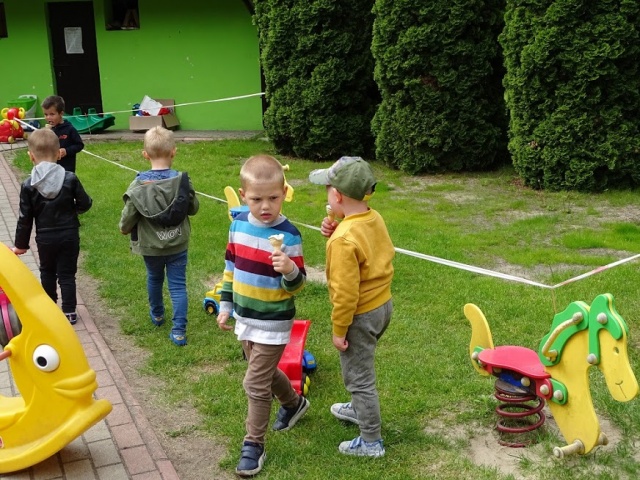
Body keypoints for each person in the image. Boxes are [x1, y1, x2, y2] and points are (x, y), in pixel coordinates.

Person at [217, 154, 309, 477]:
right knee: (266, 375)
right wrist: (225, 305)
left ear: (284, 193)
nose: (265, 206)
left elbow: (297, 285)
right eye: (257, 199)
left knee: (255, 383)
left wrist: (290, 270)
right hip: (245, 318)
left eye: (273, 198)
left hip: (274, 321)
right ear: (244, 196)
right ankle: (294, 403)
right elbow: (231, 269)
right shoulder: (238, 226)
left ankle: (253, 444)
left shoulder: (290, 236)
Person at [309, 156, 395, 457]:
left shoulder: (343, 240)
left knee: (359, 377)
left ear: (337, 195)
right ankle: (359, 408)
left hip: (360, 314)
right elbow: (368, 249)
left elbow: (345, 294)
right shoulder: (371, 217)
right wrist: (337, 229)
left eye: (327, 189)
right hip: (383, 306)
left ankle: (371, 440)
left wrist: (339, 330)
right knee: (361, 368)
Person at [119, 126, 199, 346]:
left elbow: (129, 215)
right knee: (178, 285)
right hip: (178, 243)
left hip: (150, 246)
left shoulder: (138, 185)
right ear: (174, 152)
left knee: (154, 278)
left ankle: (157, 314)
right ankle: (179, 331)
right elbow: (193, 208)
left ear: (145, 154)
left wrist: (123, 228)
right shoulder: (182, 181)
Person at [12, 128, 93, 325]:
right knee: (67, 274)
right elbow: (85, 203)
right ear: (59, 154)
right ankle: (69, 311)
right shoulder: (70, 178)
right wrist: (73, 210)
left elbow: (25, 218)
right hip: (69, 234)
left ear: (31, 156)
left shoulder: (28, 185)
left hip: (45, 238)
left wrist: (20, 245)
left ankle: (50, 309)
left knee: (47, 272)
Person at [41, 95, 85, 173]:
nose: (48, 118)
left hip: (66, 169)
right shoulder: (48, 130)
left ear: (61, 113)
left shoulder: (69, 129)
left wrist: (66, 151)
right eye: (46, 114)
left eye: (52, 114)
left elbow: (79, 145)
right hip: (50, 168)